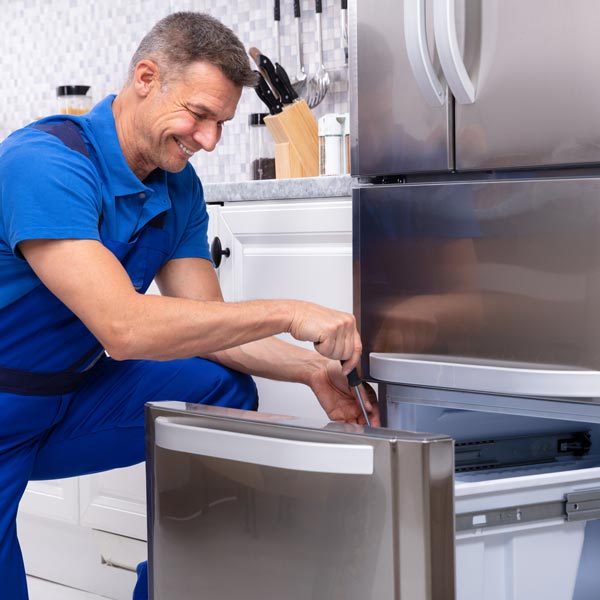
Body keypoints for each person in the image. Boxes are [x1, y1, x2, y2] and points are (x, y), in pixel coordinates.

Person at [0, 11, 378, 600]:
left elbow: (210, 328)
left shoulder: (176, 185)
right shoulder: (45, 163)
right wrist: (288, 312)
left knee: (215, 389)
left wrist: (313, 371)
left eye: (221, 123)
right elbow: (122, 327)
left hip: (64, 400)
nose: (208, 140)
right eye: (199, 115)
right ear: (146, 77)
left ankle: (174, 588)